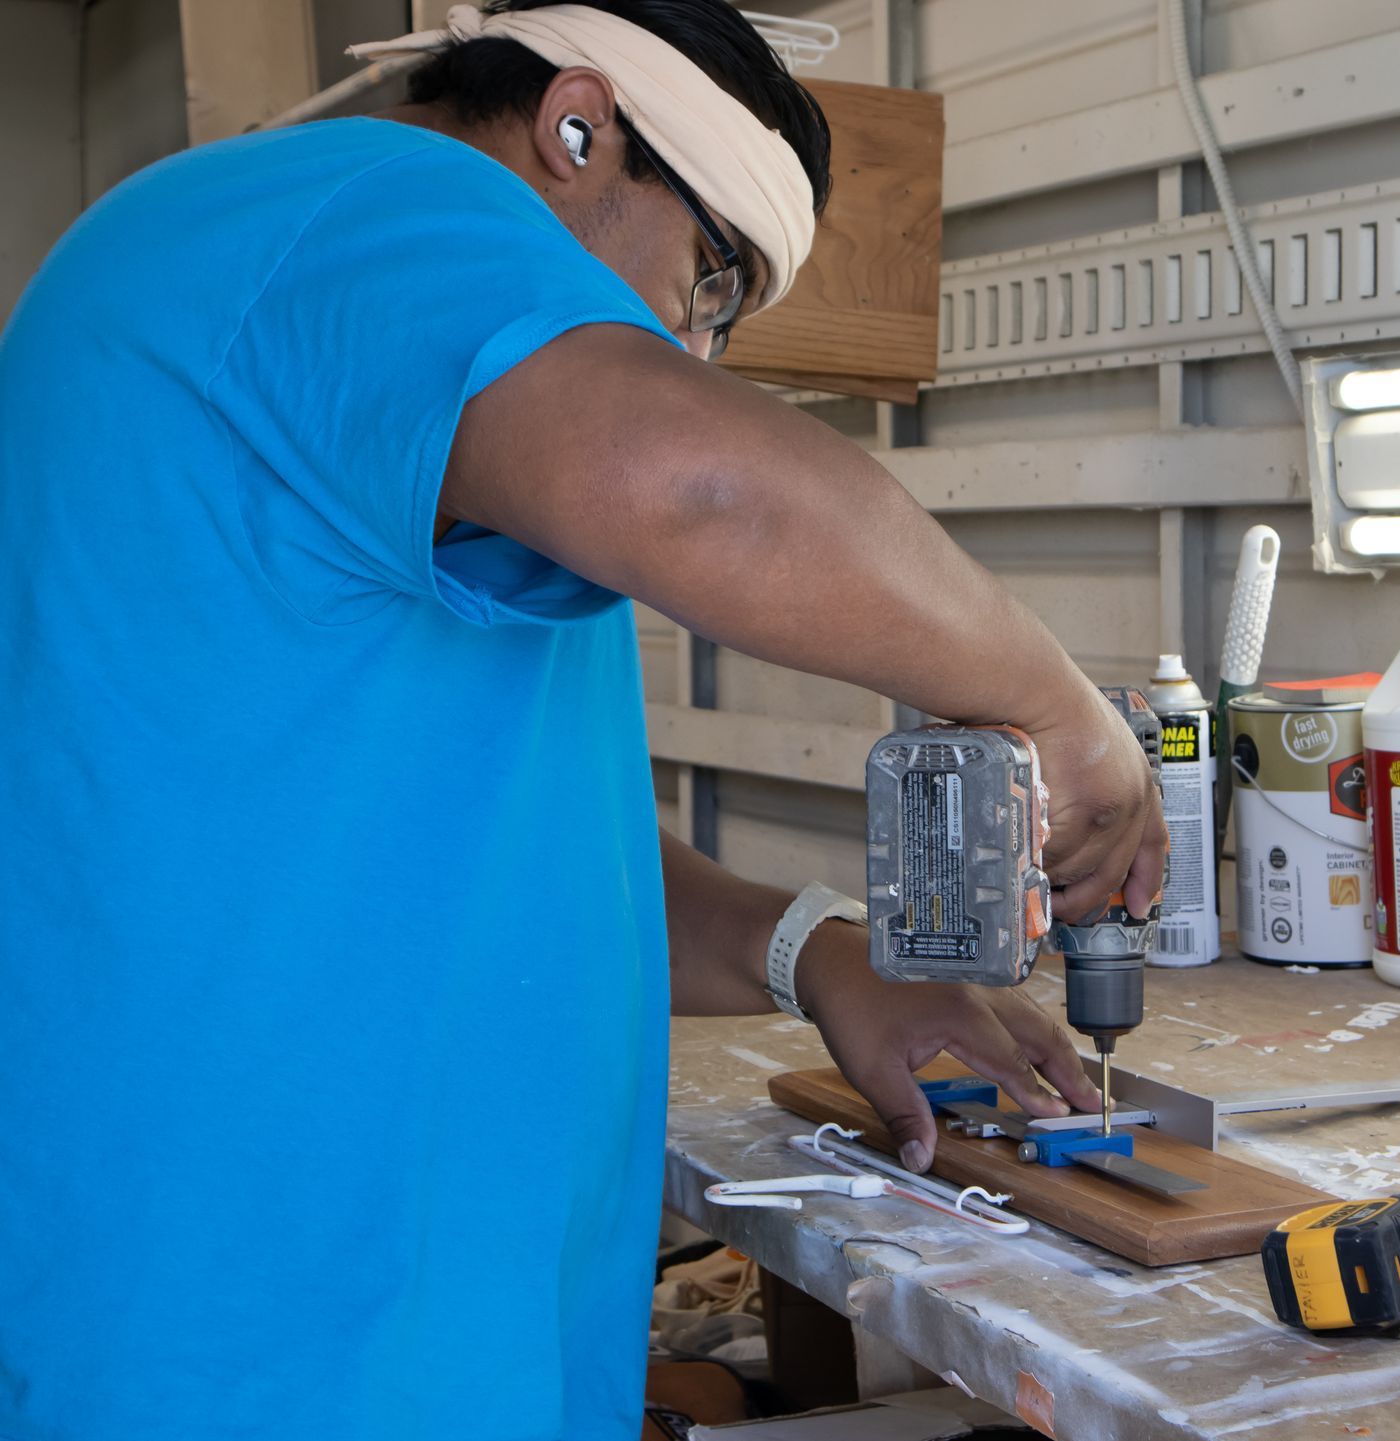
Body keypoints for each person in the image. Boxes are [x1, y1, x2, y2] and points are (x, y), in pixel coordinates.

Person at [0, 1, 1165, 1438]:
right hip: (258, 1348)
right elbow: (708, 487)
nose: (697, 351)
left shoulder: (373, 366)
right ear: (574, 128)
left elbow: (527, 846)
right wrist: (1068, 718)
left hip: (400, 1330)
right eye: (712, 282)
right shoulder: (359, 205)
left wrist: (816, 953)